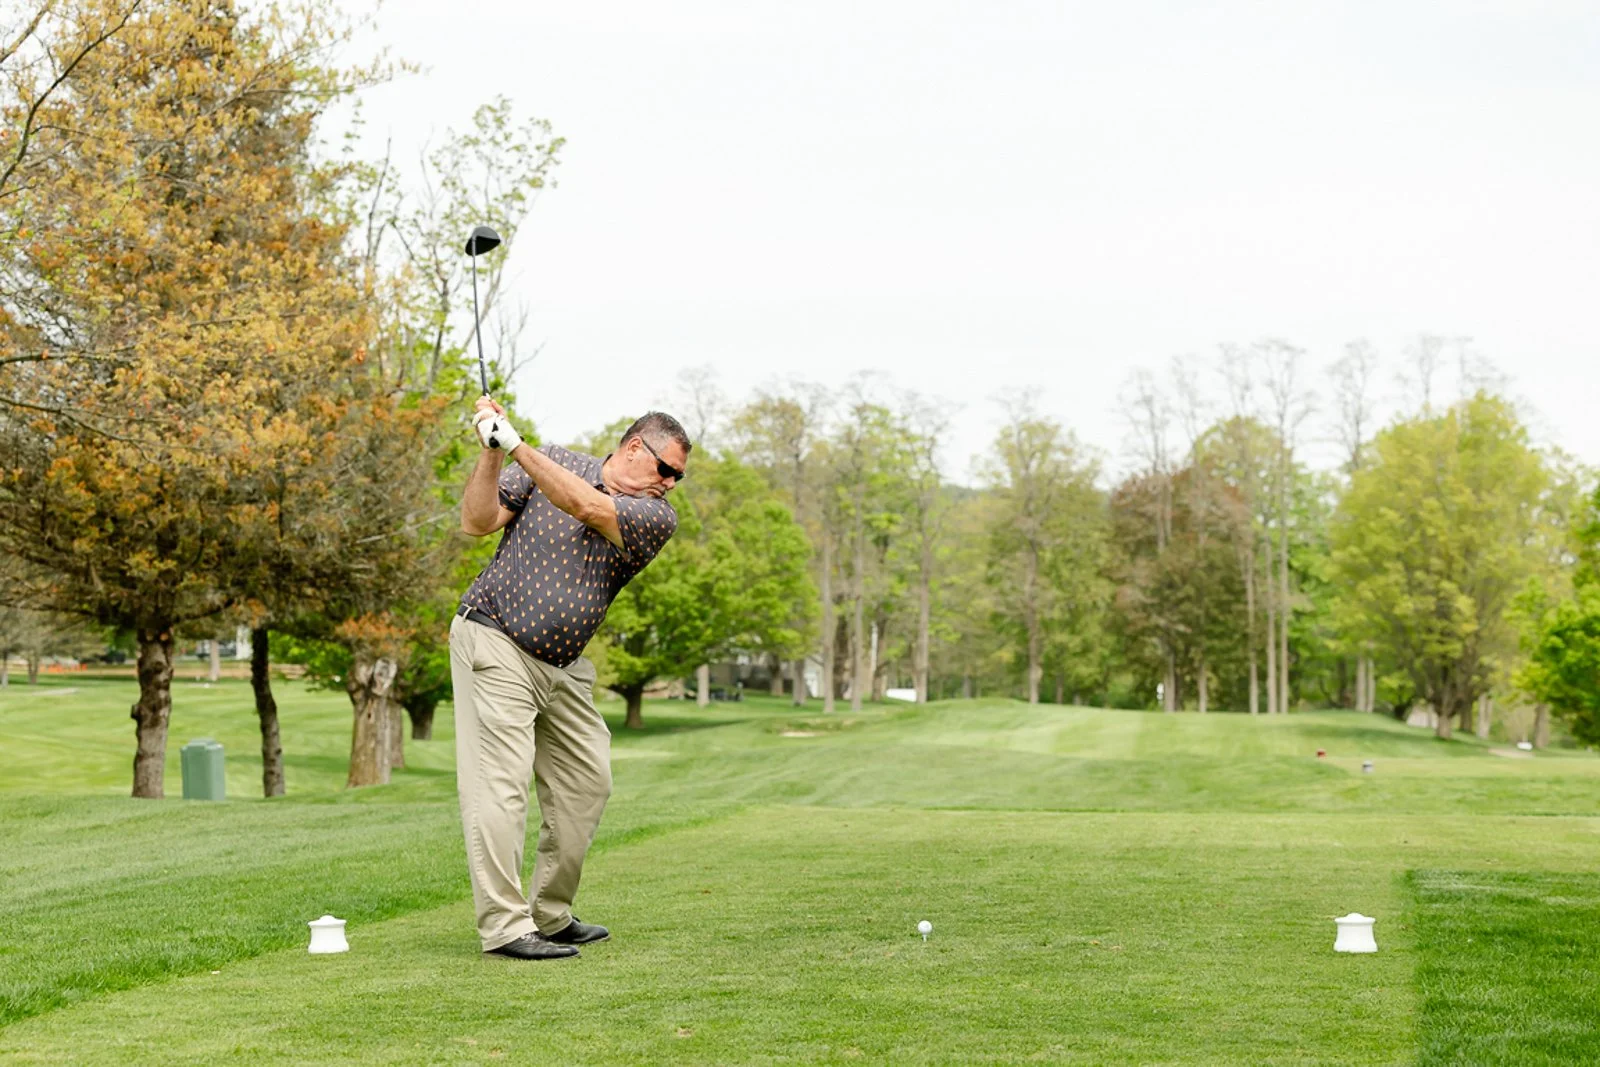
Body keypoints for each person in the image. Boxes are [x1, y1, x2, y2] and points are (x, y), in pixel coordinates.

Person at [451, 397, 690, 960]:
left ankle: (550, 914)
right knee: (501, 787)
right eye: (666, 470)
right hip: (494, 637)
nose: (671, 484)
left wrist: (513, 442)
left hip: (563, 668)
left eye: (678, 477)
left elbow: (585, 505)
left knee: (587, 782)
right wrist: (491, 450)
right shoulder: (553, 459)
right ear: (635, 448)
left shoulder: (656, 516)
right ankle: (506, 928)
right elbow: (476, 522)